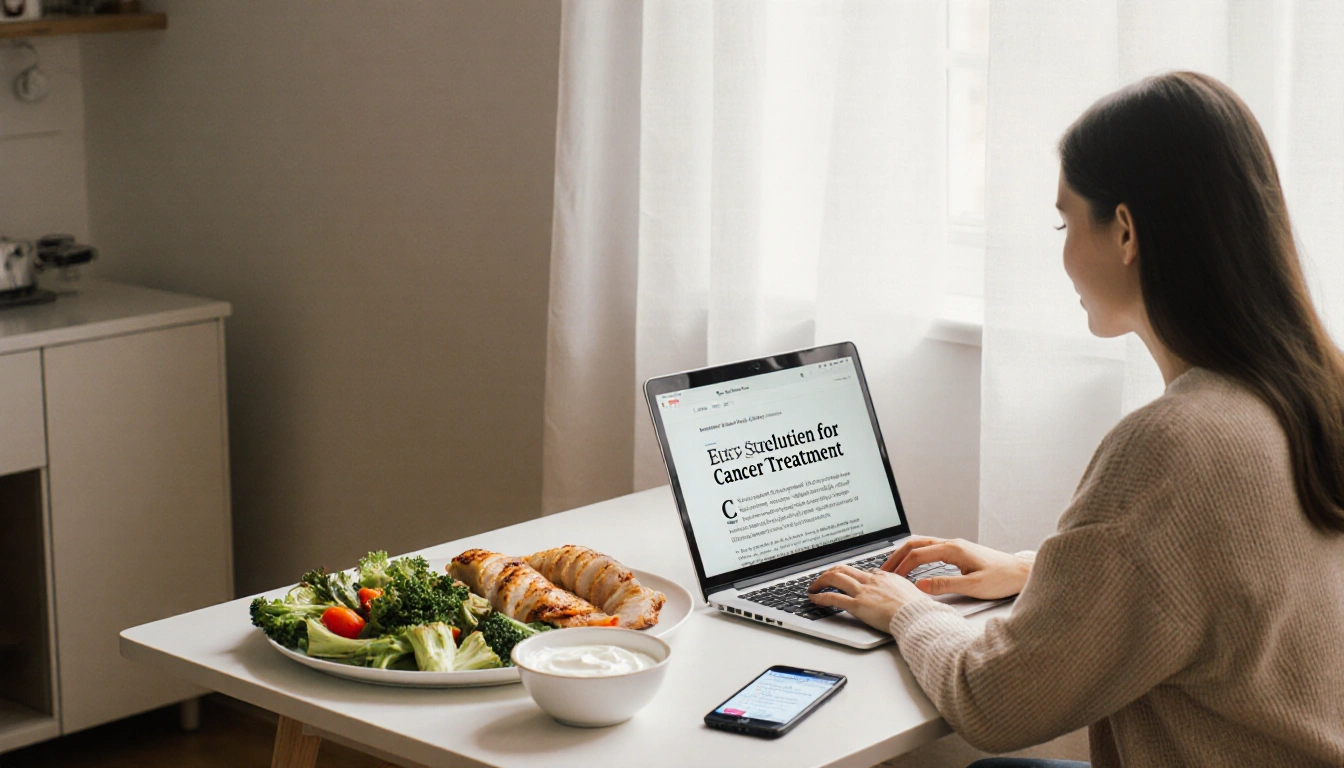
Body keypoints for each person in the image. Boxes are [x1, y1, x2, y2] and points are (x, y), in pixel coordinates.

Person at [807, 71, 1344, 768]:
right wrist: (1037, 573)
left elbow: (993, 700)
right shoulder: (1312, 391)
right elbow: (1236, 595)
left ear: (1125, 232)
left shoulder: (1175, 444)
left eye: (1065, 222)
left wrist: (904, 607)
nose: (1061, 255)